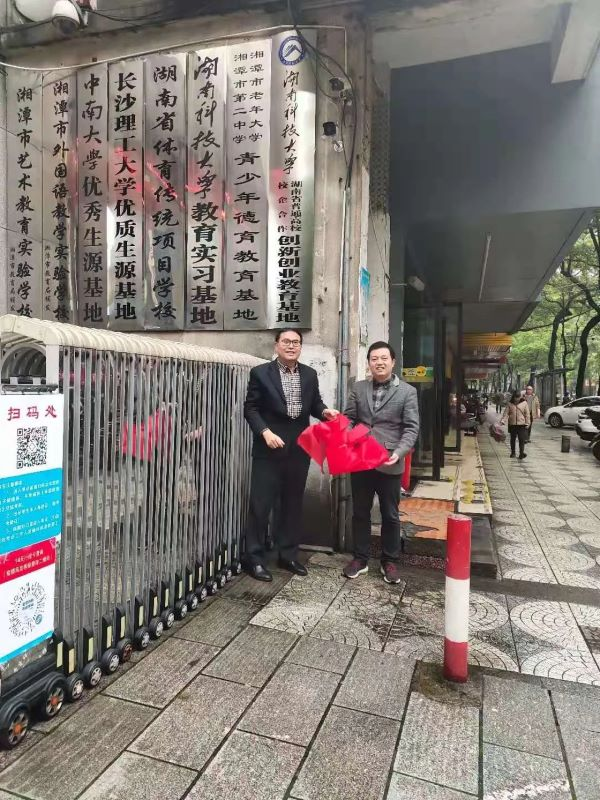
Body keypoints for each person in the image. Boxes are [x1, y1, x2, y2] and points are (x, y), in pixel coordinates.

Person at [242, 329, 338, 582]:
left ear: (300, 347)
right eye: (286, 341)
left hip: (299, 448)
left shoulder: (309, 374)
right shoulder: (261, 373)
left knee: (292, 504)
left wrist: (324, 412)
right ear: (276, 345)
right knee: (261, 505)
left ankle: (287, 555)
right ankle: (254, 558)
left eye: (296, 342)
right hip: (269, 447)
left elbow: (315, 404)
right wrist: (265, 432)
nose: (291, 346)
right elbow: (251, 409)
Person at [342, 341, 420, 584]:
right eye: (374, 358)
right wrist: (349, 434)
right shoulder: (359, 387)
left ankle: (390, 561)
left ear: (393, 361)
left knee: (390, 514)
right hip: (361, 459)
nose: (379, 362)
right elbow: (349, 418)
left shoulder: (407, 392)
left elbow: (411, 427)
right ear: (369, 362)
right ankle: (360, 558)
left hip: (389, 460)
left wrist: (400, 451)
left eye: (384, 358)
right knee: (360, 512)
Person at [500, 390, 530, 459]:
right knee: (512, 439)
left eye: (518, 397)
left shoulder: (524, 403)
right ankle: (513, 453)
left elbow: (527, 414)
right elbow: (506, 413)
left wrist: (527, 423)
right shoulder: (509, 404)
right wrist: (503, 421)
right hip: (512, 424)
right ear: (513, 397)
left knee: (521, 439)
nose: (517, 399)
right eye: (515, 397)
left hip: (521, 424)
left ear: (520, 397)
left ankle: (521, 453)